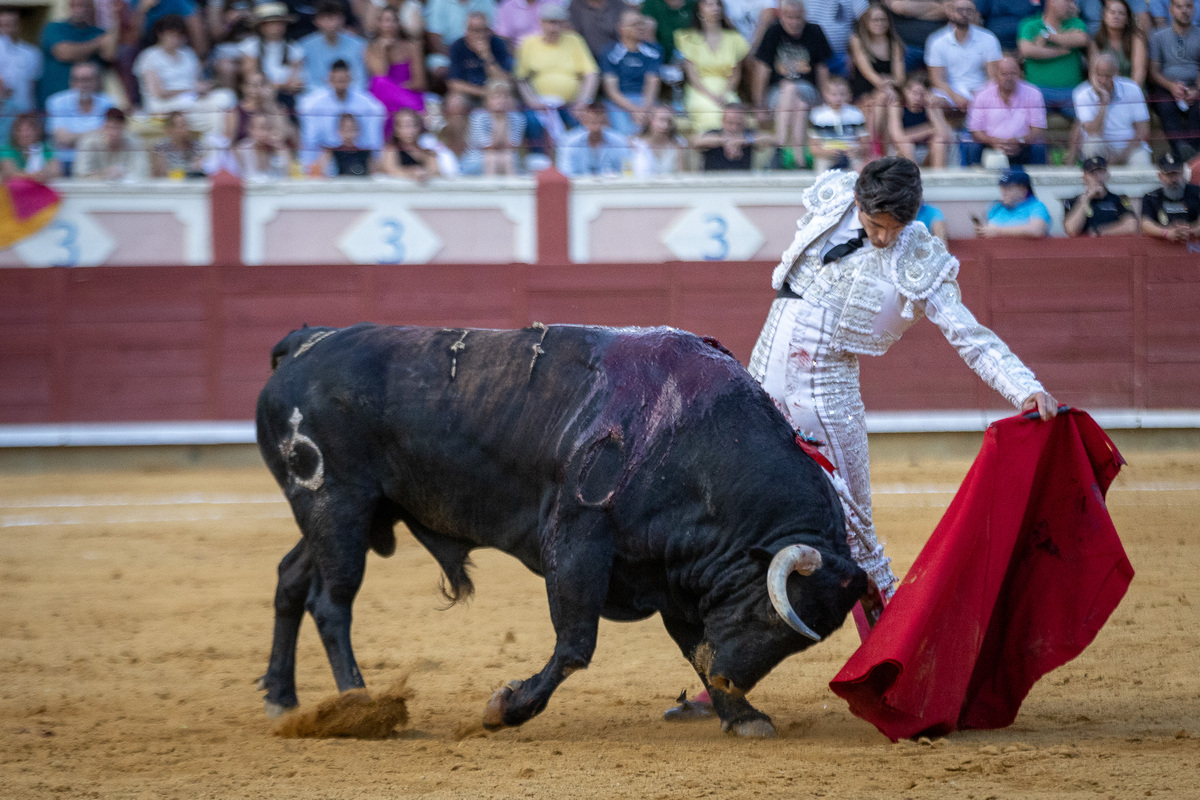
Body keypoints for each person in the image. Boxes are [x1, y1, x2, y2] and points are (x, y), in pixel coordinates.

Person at [666, 156, 1059, 723]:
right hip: (759, 387)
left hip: (824, 398)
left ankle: (908, 674)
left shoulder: (916, 253)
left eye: (892, 230)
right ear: (857, 201)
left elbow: (968, 336)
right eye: (875, 225)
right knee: (740, 531)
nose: (881, 238)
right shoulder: (831, 197)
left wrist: (1025, 387)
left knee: (857, 542)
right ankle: (725, 678)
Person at [750, 0, 829, 164]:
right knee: (799, 105)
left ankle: (779, 146)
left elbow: (822, 69)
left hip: (808, 90)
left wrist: (824, 99)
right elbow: (762, 70)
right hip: (776, 94)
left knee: (790, 87)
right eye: (789, 17)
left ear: (804, 17)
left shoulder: (814, 31)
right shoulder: (773, 32)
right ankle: (799, 159)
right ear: (781, 16)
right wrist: (760, 104)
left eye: (798, 18)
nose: (794, 22)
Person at [514, 4, 600, 141]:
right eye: (549, 22)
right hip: (539, 103)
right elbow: (521, 78)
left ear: (565, 24)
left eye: (558, 23)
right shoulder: (529, 43)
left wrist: (584, 101)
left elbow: (591, 74)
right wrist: (532, 101)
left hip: (571, 104)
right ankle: (538, 159)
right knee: (531, 121)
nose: (553, 28)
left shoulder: (575, 40)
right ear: (541, 22)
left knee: (583, 122)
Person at [675, 0, 750, 132]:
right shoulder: (688, 37)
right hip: (700, 90)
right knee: (707, 110)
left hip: (726, 89)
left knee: (732, 111)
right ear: (699, 11)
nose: (715, 8)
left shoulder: (734, 38)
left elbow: (735, 74)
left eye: (717, 4)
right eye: (709, 4)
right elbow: (692, 75)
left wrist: (725, 93)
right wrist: (712, 96)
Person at [298, 58, 387, 166]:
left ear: (350, 78)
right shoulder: (313, 105)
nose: (340, 84)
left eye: (343, 80)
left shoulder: (368, 104)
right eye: (337, 80)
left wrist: (376, 163)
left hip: (359, 158)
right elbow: (310, 140)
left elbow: (374, 139)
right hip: (327, 160)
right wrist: (309, 166)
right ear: (329, 79)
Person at [924, 0, 1002, 118]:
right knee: (935, 102)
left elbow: (992, 76)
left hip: (979, 89)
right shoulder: (937, 40)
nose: (964, 13)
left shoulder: (988, 38)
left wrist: (980, 95)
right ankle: (945, 134)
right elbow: (937, 79)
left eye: (969, 10)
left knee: (996, 96)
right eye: (959, 10)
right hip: (949, 91)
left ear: (975, 14)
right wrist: (956, 96)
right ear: (950, 12)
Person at [965, 56, 1048, 166]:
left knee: (1038, 145)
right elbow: (976, 130)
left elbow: (1038, 129)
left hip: (1023, 145)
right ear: (996, 75)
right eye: (1004, 74)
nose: (1009, 78)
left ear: (1020, 73)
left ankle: (1038, 181)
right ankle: (975, 181)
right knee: (972, 145)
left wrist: (1019, 141)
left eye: (1013, 73)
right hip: (990, 146)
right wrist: (993, 141)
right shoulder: (982, 95)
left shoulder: (1034, 94)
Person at [1073, 51, 1152, 166]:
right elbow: (1093, 131)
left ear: (1116, 73)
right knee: (1093, 144)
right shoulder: (1081, 94)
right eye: (1099, 75)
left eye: (1108, 76)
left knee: (1142, 161)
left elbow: (1143, 131)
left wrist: (1120, 157)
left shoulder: (1133, 89)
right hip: (1103, 145)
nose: (1103, 81)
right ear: (1091, 74)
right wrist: (1103, 103)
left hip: (1129, 147)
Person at [1017, 0, 1089, 120]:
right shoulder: (1030, 24)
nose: (1072, 6)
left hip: (1071, 91)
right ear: (1052, 2)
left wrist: (1048, 37)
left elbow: (1081, 39)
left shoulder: (1076, 23)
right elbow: (1027, 50)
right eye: (1068, 1)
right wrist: (1062, 50)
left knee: (1087, 120)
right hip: (1038, 91)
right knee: (1023, 120)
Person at [38, 0, 117, 107]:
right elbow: (64, 53)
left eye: (85, 6)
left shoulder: (97, 32)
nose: (80, 9)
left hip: (90, 104)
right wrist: (97, 43)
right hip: (56, 99)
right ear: (69, 7)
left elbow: (109, 54)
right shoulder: (54, 28)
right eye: (75, 5)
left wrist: (116, 17)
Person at [848, 3, 904, 152]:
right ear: (866, 22)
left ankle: (877, 147)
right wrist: (886, 85)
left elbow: (900, 78)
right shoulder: (858, 40)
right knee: (883, 100)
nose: (879, 23)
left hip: (888, 91)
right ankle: (880, 148)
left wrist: (887, 86)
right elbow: (867, 72)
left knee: (884, 99)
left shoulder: (894, 43)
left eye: (883, 20)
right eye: (875, 20)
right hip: (864, 90)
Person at [45, 62, 117, 178]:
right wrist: (97, 132)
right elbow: (62, 139)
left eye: (87, 80)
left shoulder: (109, 102)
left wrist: (74, 137)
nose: (82, 84)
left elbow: (112, 137)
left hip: (99, 162)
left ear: (96, 81)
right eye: (77, 80)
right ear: (71, 82)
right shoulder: (57, 102)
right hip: (66, 162)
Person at [1148, 0, 1200, 159]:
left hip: (1195, 84)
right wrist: (1171, 86)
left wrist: (1196, 90)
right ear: (1171, 10)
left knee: (1198, 109)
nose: (1184, 10)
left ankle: (1192, 153)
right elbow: (1154, 71)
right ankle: (1180, 148)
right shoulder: (1158, 36)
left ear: (1194, 9)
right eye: (1179, 6)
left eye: (1188, 6)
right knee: (1165, 106)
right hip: (1166, 85)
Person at [600, 9, 663, 137]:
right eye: (635, 24)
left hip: (647, 101)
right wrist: (635, 110)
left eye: (642, 24)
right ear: (621, 28)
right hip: (619, 102)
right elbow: (612, 91)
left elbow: (652, 83)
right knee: (625, 133)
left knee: (658, 125)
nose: (640, 27)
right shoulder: (610, 52)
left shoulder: (654, 50)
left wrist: (644, 110)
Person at [239, 2, 307, 108]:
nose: (275, 27)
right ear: (260, 26)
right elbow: (250, 77)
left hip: (287, 96)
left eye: (279, 23)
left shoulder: (295, 48)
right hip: (259, 94)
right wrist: (282, 86)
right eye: (270, 23)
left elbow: (296, 79)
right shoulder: (249, 46)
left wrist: (282, 86)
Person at [368, 4, 427, 120]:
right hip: (383, 98)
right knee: (379, 81)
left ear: (399, 23)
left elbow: (420, 83)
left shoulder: (412, 46)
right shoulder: (371, 48)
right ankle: (416, 111)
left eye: (393, 20)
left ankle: (413, 110)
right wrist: (384, 51)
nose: (389, 25)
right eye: (385, 21)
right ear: (379, 24)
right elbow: (380, 76)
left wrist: (396, 89)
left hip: (408, 95)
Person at [299, 1, 368, 92]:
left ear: (343, 19)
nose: (331, 23)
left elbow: (361, 80)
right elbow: (306, 80)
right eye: (326, 18)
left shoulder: (359, 44)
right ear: (316, 21)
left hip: (352, 94)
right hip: (317, 96)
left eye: (335, 17)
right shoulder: (304, 46)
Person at [461, 79, 526, 174]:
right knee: (491, 157)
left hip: (506, 157)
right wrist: (500, 120)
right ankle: (488, 188)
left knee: (507, 157)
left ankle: (510, 187)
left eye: (505, 97)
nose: (502, 101)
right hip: (477, 159)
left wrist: (504, 118)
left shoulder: (518, 118)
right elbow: (488, 146)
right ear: (487, 99)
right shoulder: (478, 117)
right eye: (496, 97)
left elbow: (511, 146)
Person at [446, 12, 512, 107]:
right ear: (466, 31)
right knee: (455, 102)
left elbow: (505, 80)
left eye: (483, 30)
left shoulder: (497, 43)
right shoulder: (458, 46)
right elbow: (454, 83)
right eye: (474, 30)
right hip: (470, 93)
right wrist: (484, 93)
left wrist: (487, 56)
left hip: (497, 93)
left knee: (509, 102)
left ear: (489, 31)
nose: (479, 35)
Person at [1063, 156, 1139, 236]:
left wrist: (1099, 231)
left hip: (1114, 245)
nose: (1098, 177)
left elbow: (1133, 225)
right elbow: (1071, 230)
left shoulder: (1118, 199)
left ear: (1107, 175)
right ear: (1084, 177)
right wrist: (1086, 199)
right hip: (1085, 247)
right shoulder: (1074, 200)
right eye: (1093, 173)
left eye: (1101, 172)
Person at [0, 8, 43, 148]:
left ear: (18, 25)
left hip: (23, 114)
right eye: (3, 25)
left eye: (11, 24)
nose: (8, 29)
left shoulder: (31, 53)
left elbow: (33, 85)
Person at [888, 74, 950, 166]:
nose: (917, 98)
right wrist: (929, 130)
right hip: (904, 152)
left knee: (939, 142)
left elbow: (945, 135)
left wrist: (931, 110)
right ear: (905, 91)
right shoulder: (897, 107)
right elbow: (898, 137)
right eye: (914, 93)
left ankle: (938, 176)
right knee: (906, 144)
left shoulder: (932, 106)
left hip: (927, 151)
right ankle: (915, 174)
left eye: (922, 94)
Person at [808, 75, 869, 170]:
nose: (838, 98)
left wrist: (857, 150)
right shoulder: (817, 115)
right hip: (826, 154)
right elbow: (813, 148)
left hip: (851, 154)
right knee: (822, 169)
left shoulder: (856, 114)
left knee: (859, 168)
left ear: (849, 95)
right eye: (834, 94)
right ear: (826, 94)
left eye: (842, 94)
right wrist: (827, 152)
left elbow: (866, 143)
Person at [555, 100, 629, 175]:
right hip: (579, 185)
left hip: (611, 185)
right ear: (583, 121)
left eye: (600, 123)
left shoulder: (619, 141)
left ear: (607, 122)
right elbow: (565, 173)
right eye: (592, 122)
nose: (596, 128)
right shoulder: (569, 142)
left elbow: (627, 172)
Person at [75, 107, 151, 180]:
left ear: (125, 128)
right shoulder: (88, 144)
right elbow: (81, 176)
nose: (113, 133)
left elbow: (143, 173)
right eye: (109, 127)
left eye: (117, 128)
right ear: (102, 127)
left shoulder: (135, 143)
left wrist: (122, 175)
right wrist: (105, 175)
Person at [974, 167, 1051, 238]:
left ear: (1023, 189)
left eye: (1008, 188)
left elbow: (1036, 230)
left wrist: (999, 231)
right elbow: (988, 230)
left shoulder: (1037, 206)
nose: (1003, 193)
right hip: (995, 251)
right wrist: (982, 231)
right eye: (1002, 188)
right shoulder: (997, 207)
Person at [1140, 151, 1200, 240]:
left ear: (1183, 173)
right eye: (1169, 175)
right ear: (1160, 175)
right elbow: (1145, 224)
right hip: (1161, 248)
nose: (1174, 179)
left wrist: (1192, 230)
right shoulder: (1151, 197)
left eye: (1177, 173)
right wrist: (1166, 232)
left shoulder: (1197, 193)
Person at [803, 0, 868, 79]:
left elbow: (866, 18)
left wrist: (854, 53)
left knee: (841, 88)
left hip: (842, 57)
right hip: (813, 58)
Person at [1089, 0, 1147, 87]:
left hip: (1132, 89)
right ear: (1104, 16)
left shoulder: (1136, 39)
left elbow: (1139, 72)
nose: (1116, 16)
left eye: (1121, 13)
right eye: (1112, 12)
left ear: (1127, 19)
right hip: (1104, 90)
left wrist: (1129, 93)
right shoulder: (1096, 41)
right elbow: (1093, 74)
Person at [880, 0, 946, 70]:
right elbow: (898, 6)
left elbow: (950, 8)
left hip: (942, 46)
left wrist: (912, 10)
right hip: (906, 48)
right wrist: (937, 7)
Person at [379, 106, 441, 178]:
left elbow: (436, 171)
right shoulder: (390, 150)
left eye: (414, 125)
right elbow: (389, 170)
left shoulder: (426, 151)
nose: (410, 131)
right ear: (396, 129)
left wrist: (425, 174)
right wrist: (411, 172)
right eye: (405, 126)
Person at [695, 101, 759, 169]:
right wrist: (725, 140)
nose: (734, 127)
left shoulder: (748, 134)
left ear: (745, 122)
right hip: (714, 178)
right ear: (722, 121)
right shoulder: (714, 133)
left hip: (742, 178)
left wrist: (744, 140)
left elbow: (768, 138)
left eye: (738, 124)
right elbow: (695, 142)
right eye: (730, 123)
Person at [0, 112, 60, 183]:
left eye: (27, 130)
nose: (23, 134)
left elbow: (56, 171)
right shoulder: (6, 149)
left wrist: (46, 174)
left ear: (36, 131)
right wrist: (33, 176)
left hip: (40, 188)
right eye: (19, 130)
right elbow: (10, 173)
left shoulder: (45, 148)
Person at [630, 102, 686, 176]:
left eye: (669, 121)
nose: (665, 125)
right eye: (661, 120)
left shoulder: (678, 145)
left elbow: (681, 175)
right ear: (650, 120)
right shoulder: (634, 143)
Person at [235, 110, 293, 179]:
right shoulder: (241, 150)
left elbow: (286, 176)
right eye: (261, 128)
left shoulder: (278, 149)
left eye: (268, 129)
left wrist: (278, 149)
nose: (265, 133)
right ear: (250, 129)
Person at [151, 109, 207, 176]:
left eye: (186, 125)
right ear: (169, 129)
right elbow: (161, 174)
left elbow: (199, 169)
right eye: (181, 126)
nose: (186, 129)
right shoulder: (160, 148)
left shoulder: (196, 146)